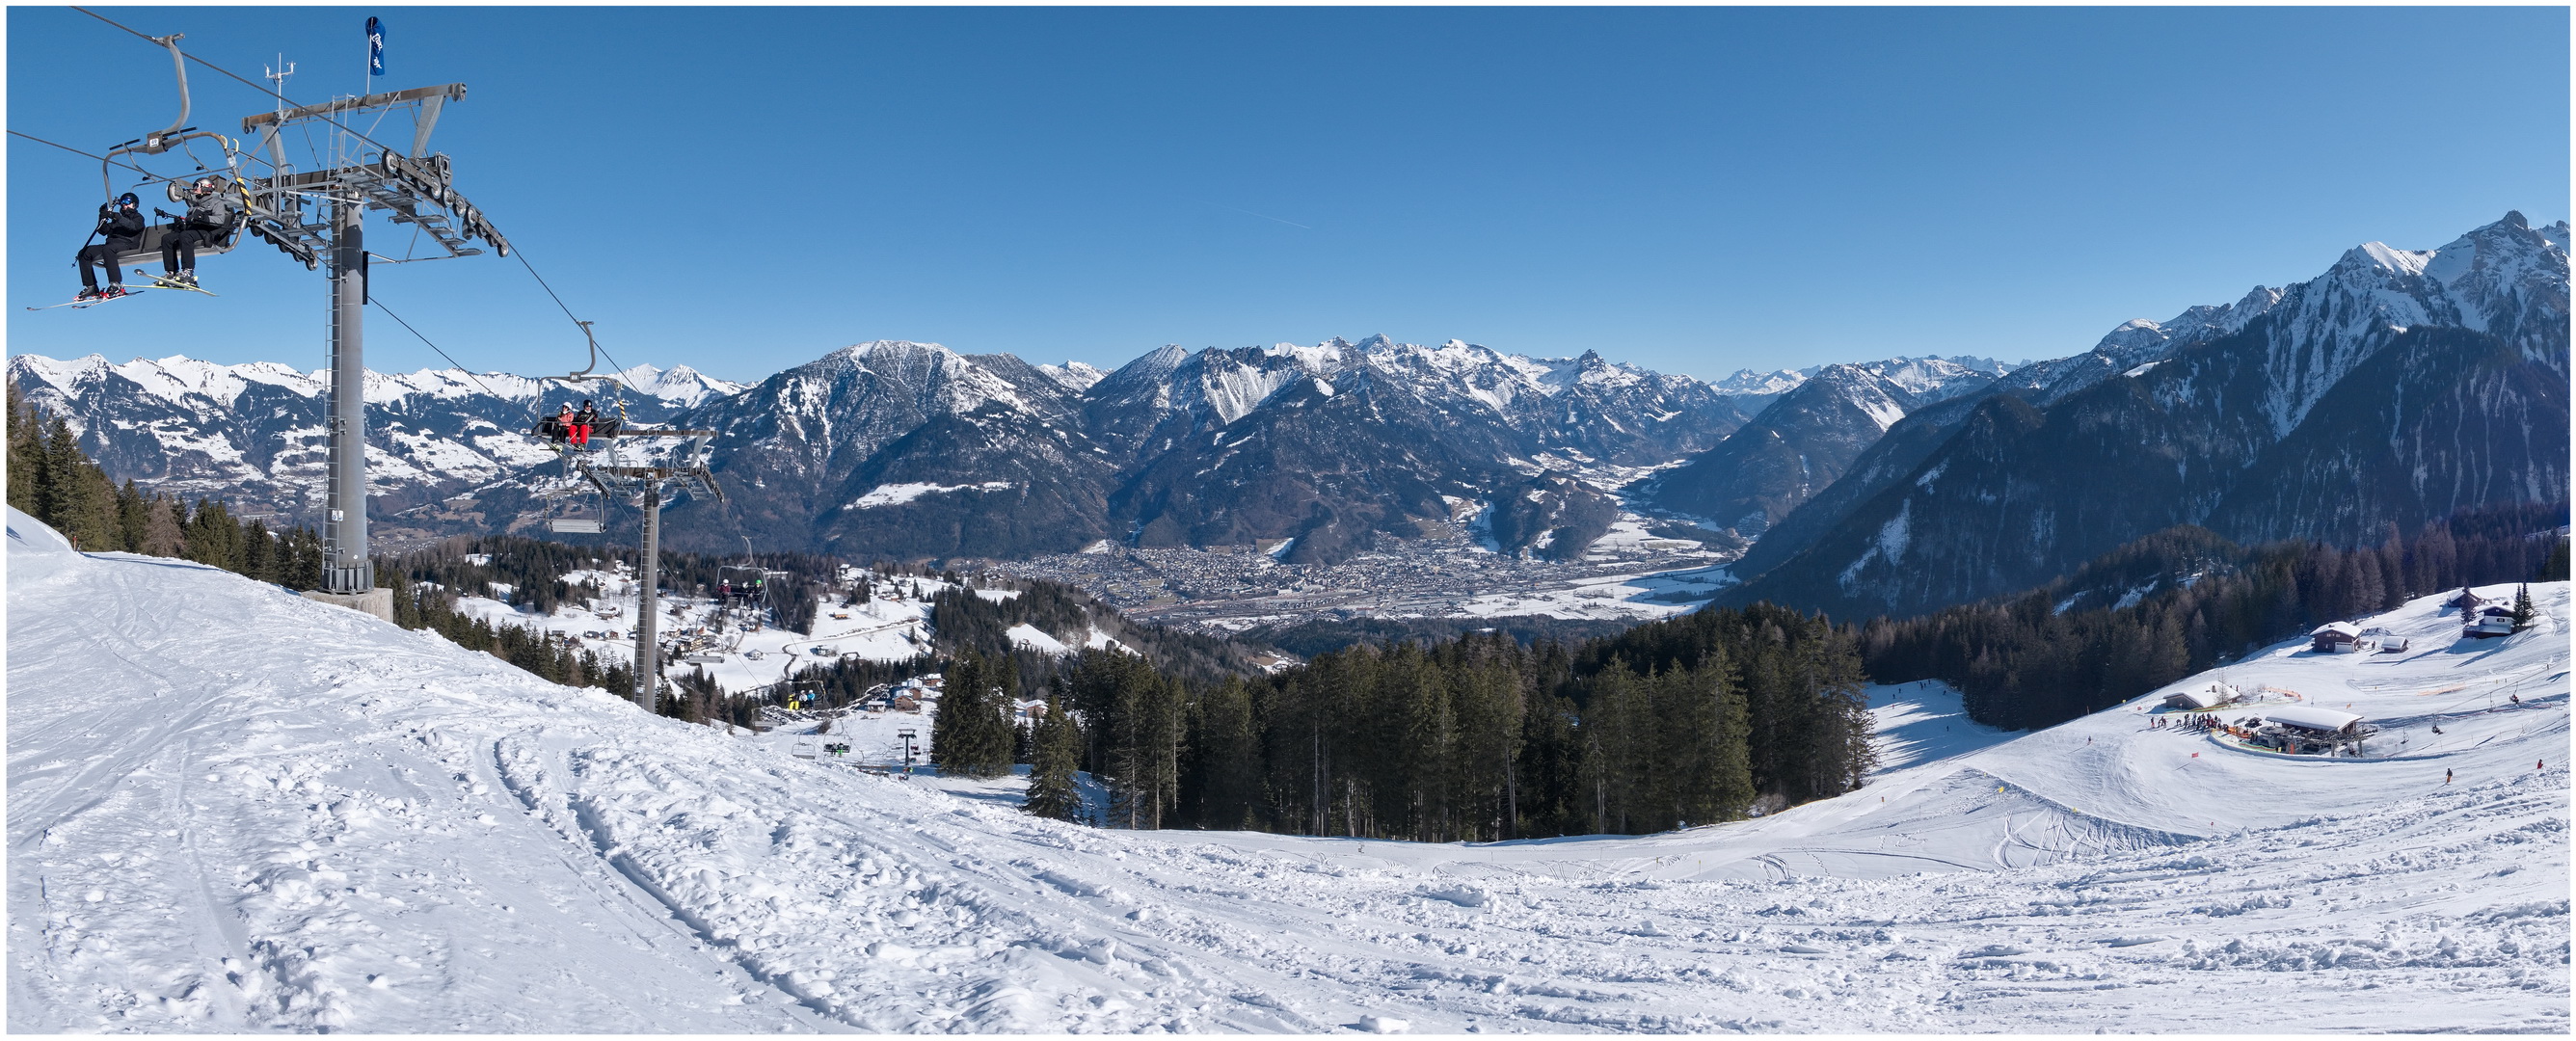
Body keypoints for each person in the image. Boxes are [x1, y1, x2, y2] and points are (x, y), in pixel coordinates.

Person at [157, 177, 234, 286]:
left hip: (206, 230)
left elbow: (219, 220)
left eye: (196, 187)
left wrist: (204, 218)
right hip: (192, 230)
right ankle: (171, 271)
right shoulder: (195, 204)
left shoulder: (216, 203)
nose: (194, 189)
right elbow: (191, 220)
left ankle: (188, 270)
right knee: (167, 238)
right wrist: (182, 223)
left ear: (204, 187)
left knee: (185, 236)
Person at [77, 193, 146, 300]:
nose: (124, 205)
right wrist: (102, 216)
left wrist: (116, 217)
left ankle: (115, 284)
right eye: (122, 203)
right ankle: (91, 287)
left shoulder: (138, 217)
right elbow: (103, 231)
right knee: (85, 252)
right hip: (111, 245)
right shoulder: (117, 219)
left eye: (127, 202)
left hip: (128, 244)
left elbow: (133, 227)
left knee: (108, 249)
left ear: (134, 205)